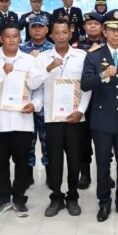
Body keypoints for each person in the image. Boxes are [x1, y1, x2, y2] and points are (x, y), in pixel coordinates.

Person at [0, 22, 46, 218]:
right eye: (8, 36)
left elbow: (38, 88)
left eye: (15, 36)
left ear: (20, 38)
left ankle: (19, 199)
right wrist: (2, 72)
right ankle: (2, 199)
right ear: (1, 39)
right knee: (0, 162)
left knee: (23, 162)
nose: (12, 39)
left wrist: (36, 104)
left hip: (22, 120)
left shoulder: (29, 61)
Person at [81, 10, 118, 222]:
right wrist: (102, 75)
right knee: (103, 164)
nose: (116, 34)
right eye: (112, 30)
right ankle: (104, 202)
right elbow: (85, 84)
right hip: (101, 119)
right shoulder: (94, 56)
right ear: (104, 31)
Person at [36, 19, 91, 217]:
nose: (61, 36)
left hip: (75, 118)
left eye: (64, 32)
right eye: (57, 33)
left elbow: (86, 87)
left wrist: (81, 110)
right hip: (52, 119)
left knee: (75, 158)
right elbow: (34, 84)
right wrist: (48, 68)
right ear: (51, 35)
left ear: (70, 34)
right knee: (55, 159)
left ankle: (73, 195)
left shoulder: (81, 56)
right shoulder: (43, 58)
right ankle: (56, 197)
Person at [19, 15, 55, 184]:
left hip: (48, 102)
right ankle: (27, 175)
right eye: (34, 27)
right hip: (26, 101)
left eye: (40, 27)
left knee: (48, 140)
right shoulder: (21, 49)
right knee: (27, 140)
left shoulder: (53, 50)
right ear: (29, 29)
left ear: (47, 29)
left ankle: (50, 173)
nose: (37, 30)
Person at [73, 12, 107, 189]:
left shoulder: (109, 45)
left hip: (104, 97)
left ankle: (105, 174)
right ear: (84, 27)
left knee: (105, 139)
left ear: (102, 27)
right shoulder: (77, 46)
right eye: (89, 24)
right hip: (83, 99)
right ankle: (84, 173)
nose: (92, 26)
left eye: (96, 23)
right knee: (82, 139)